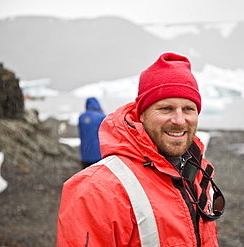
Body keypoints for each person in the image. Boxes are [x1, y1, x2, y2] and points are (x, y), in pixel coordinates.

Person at [57, 53, 225, 246]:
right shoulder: (95, 190)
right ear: (142, 114)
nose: (179, 120)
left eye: (188, 109)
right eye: (166, 109)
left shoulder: (198, 175)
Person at [78, 97, 106, 169]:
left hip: (84, 153)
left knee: (86, 176)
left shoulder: (81, 117)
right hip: (98, 154)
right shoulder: (101, 116)